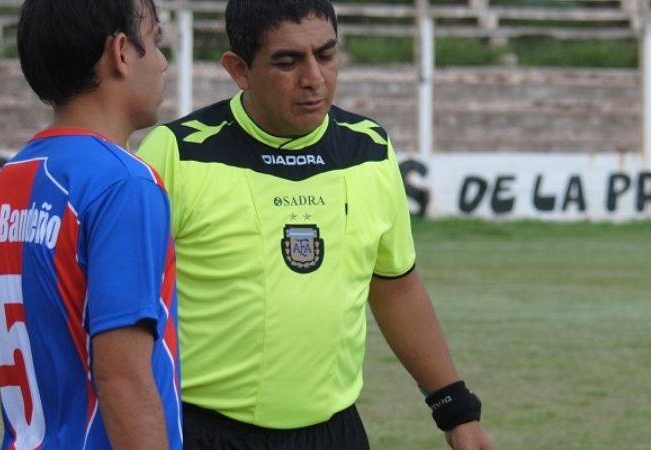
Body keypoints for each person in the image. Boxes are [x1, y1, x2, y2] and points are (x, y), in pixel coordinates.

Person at [137, 0, 493, 449]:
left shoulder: (368, 149)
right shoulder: (177, 153)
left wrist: (455, 409)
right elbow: (124, 307)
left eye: (325, 55)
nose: (314, 78)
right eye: (287, 62)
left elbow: (395, 286)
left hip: (334, 432)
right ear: (239, 70)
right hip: (202, 431)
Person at [0, 0, 181, 448]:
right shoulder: (124, 182)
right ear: (122, 53)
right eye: (155, 42)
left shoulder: (14, 177)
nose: (164, 62)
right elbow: (123, 379)